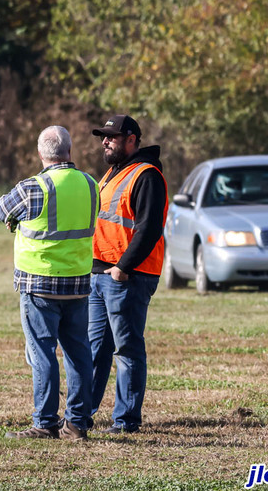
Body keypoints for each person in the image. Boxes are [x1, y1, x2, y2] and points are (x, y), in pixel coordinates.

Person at [0, 126, 100, 441]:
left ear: (41, 154)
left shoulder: (33, 187)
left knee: (42, 354)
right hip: (79, 283)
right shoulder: (91, 185)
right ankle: (77, 423)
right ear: (70, 151)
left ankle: (45, 423)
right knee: (79, 354)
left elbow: (1, 209)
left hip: (39, 283)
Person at [89, 114, 168, 434]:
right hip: (99, 274)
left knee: (127, 349)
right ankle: (81, 415)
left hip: (128, 276)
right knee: (94, 349)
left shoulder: (147, 175)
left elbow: (149, 229)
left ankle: (126, 421)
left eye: (113, 136)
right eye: (103, 136)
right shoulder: (112, 173)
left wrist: (123, 268)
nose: (105, 141)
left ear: (132, 139)